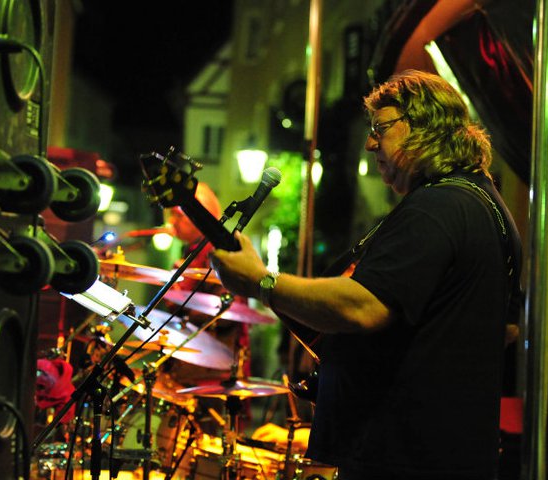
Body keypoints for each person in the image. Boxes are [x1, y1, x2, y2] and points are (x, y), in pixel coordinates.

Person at [209, 70, 522, 480]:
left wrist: (261, 282)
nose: (370, 143)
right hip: (449, 454)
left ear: (423, 126)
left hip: (404, 460)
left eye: (380, 128)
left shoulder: (436, 208)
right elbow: (507, 330)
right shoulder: (489, 207)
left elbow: (363, 307)